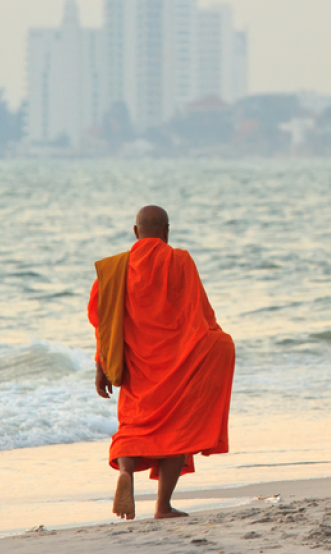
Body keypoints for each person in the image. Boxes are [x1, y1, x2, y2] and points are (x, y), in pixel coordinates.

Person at [87, 205, 235, 520]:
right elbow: (202, 318)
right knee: (178, 430)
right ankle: (162, 506)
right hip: (177, 366)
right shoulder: (180, 261)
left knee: (133, 426)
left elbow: (104, 324)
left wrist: (101, 365)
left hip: (136, 369)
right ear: (167, 232)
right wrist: (219, 346)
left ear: (135, 232)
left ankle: (125, 473)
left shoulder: (115, 270)